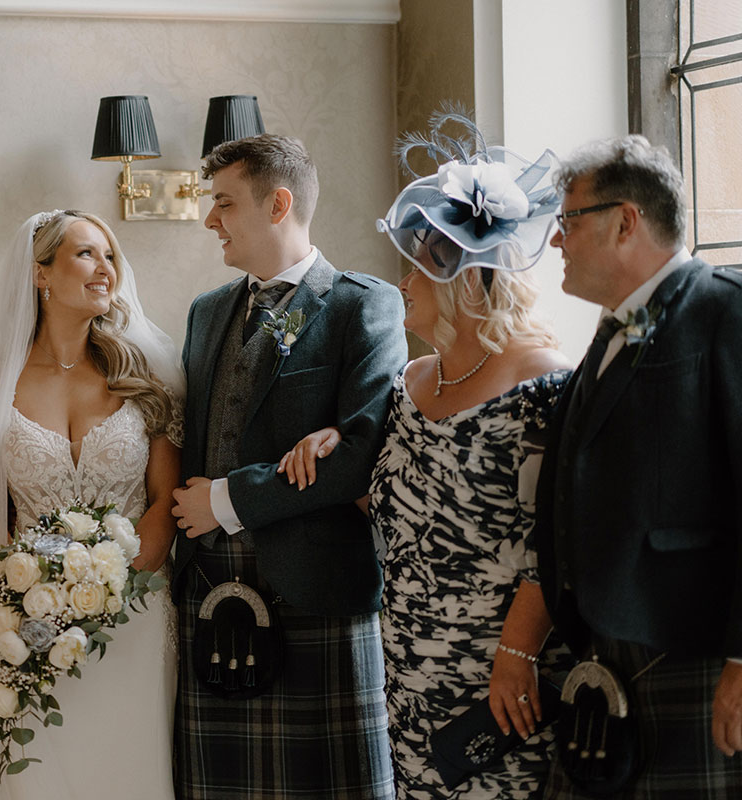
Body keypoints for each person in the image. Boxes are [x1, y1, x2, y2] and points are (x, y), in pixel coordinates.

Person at [282, 114, 572, 797]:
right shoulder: (410, 383)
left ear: (463, 281)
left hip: (499, 677)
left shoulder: (543, 382)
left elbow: (554, 538)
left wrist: (515, 654)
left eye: (415, 271)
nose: (402, 285)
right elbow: (384, 496)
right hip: (407, 670)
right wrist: (333, 444)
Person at [0, 210, 184, 800]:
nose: (105, 269)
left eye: (110, 256)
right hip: (33, 624)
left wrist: (118, 586)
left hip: (136, 622)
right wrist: (30, 608)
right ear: (41, 274)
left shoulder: (144, 373)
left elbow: (166, 502)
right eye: (87, 254)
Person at [169, 133, 405, 799]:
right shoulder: (207, 312)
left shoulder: (364, 303)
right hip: (209, 590)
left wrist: (227, 500)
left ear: (278, 204)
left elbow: (359, 454)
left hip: (314, 594)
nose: (210, 220)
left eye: (223, 203)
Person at [535, 135, 742, 797]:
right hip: (604, 649)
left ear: (625, 222)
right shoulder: (610, 330)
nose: (557, 242)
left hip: (693, 652)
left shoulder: (724, 310)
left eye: (568, 223)